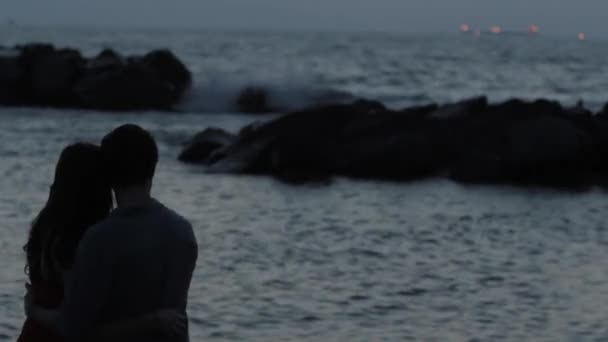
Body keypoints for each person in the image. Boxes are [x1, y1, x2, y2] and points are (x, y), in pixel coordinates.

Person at [25, 124, 199, 341]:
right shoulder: (182, 231)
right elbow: (176, 323)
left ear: (109, 175)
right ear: (153, 168)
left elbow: (74, 329)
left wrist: (34, 312)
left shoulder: (98, 239)